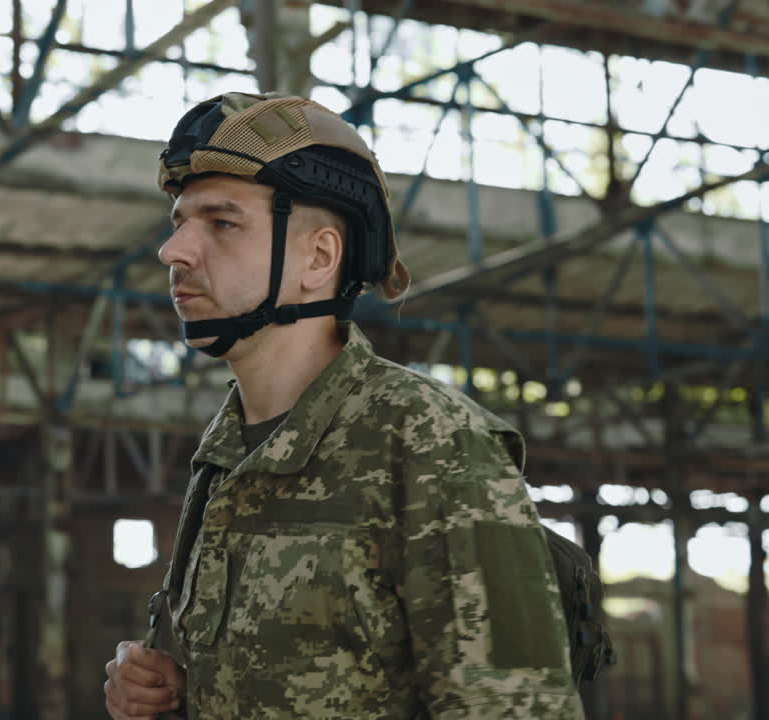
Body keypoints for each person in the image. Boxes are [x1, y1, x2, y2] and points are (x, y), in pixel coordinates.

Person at [103, 92, 583, 719]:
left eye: (221, 223)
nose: (174, 251)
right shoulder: (225, 454)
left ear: (319, 257)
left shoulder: (430, 442)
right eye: (180, 222)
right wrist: (167, 691)